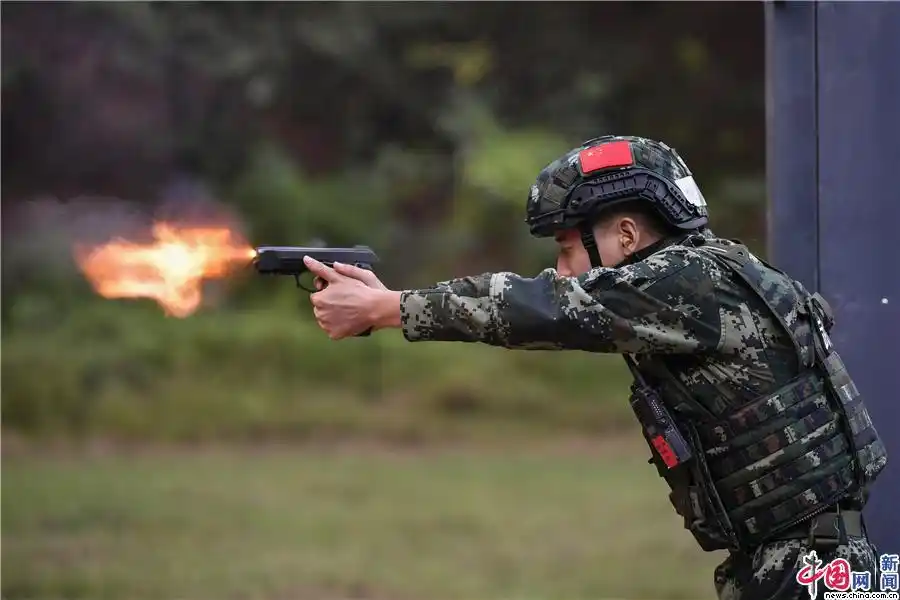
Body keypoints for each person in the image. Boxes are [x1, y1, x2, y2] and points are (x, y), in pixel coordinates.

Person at [303, 135, 888, 599]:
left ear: (627, 236)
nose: (560, 270)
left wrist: (386, 308)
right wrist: (385, 302)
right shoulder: (709, 274)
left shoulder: (685, 281)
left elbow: (542, 309)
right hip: (806, 563)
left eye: (566, 250)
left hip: (809, 570)